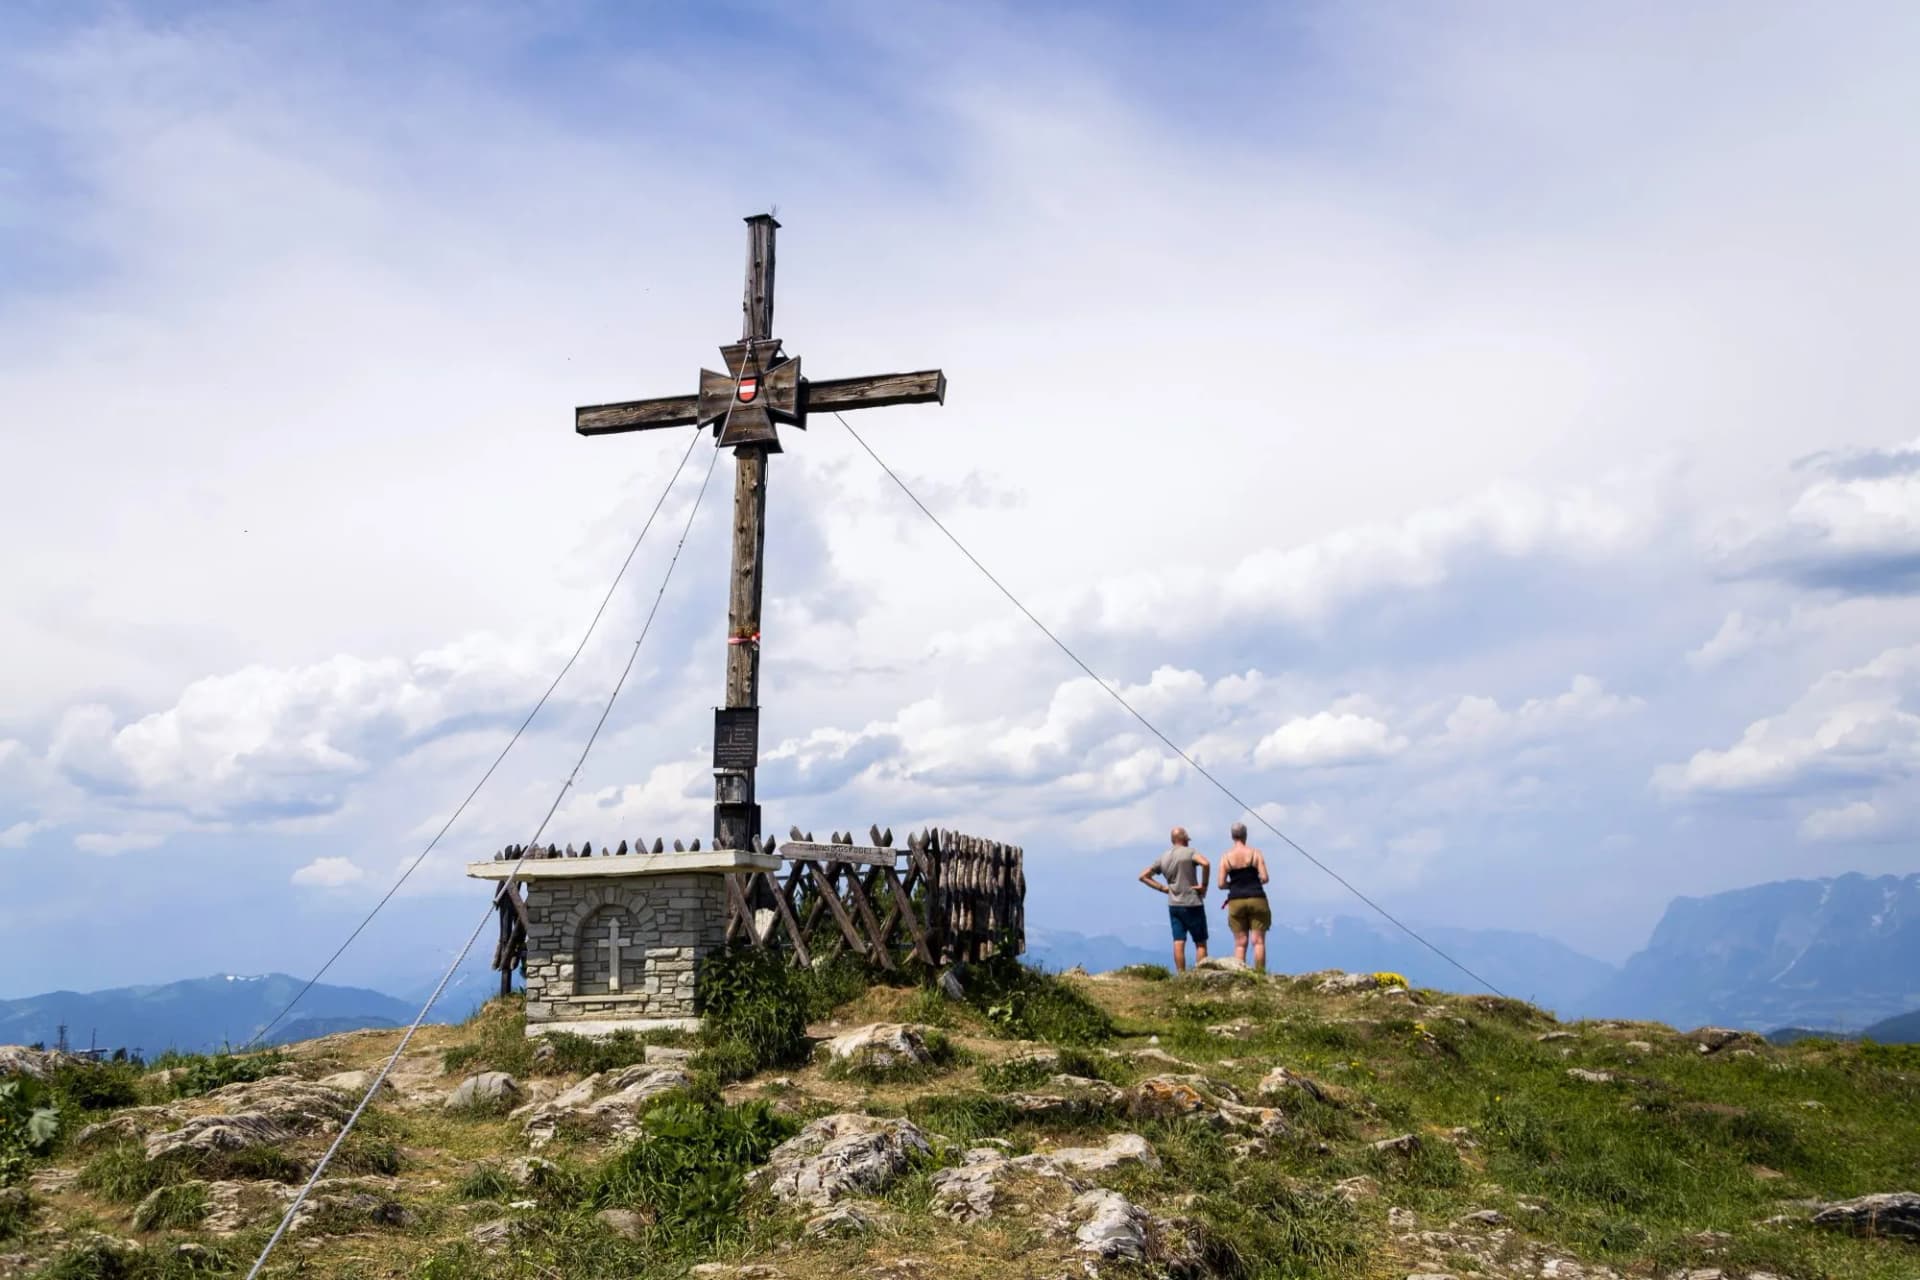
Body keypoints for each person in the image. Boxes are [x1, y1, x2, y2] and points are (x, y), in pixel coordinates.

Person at [1138, 826, 1210, 972]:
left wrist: (1163, 888)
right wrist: (1204, 886)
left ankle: (1181, 975)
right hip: (1192, 903)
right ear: (1183, 839)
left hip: (1174, 904)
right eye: (1187, 840)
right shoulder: (1190, 852)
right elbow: (1206, 863)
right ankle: (1201, 974)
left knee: (1178, 941)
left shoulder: (1164, 857)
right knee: (1200, 942)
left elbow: (1143, 876)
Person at [1217, 821, 1272, 972]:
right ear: (1246, 835)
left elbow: (1221, 884)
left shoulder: (1225, 857)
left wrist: (1234, 885)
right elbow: (1265, 878)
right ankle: (1260, 975)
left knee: (1240, 943)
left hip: (1236, 900)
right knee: (1258, 941)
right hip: (1256, 897)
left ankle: (1240, 975)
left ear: (1232, 836)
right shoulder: (1256, 853)